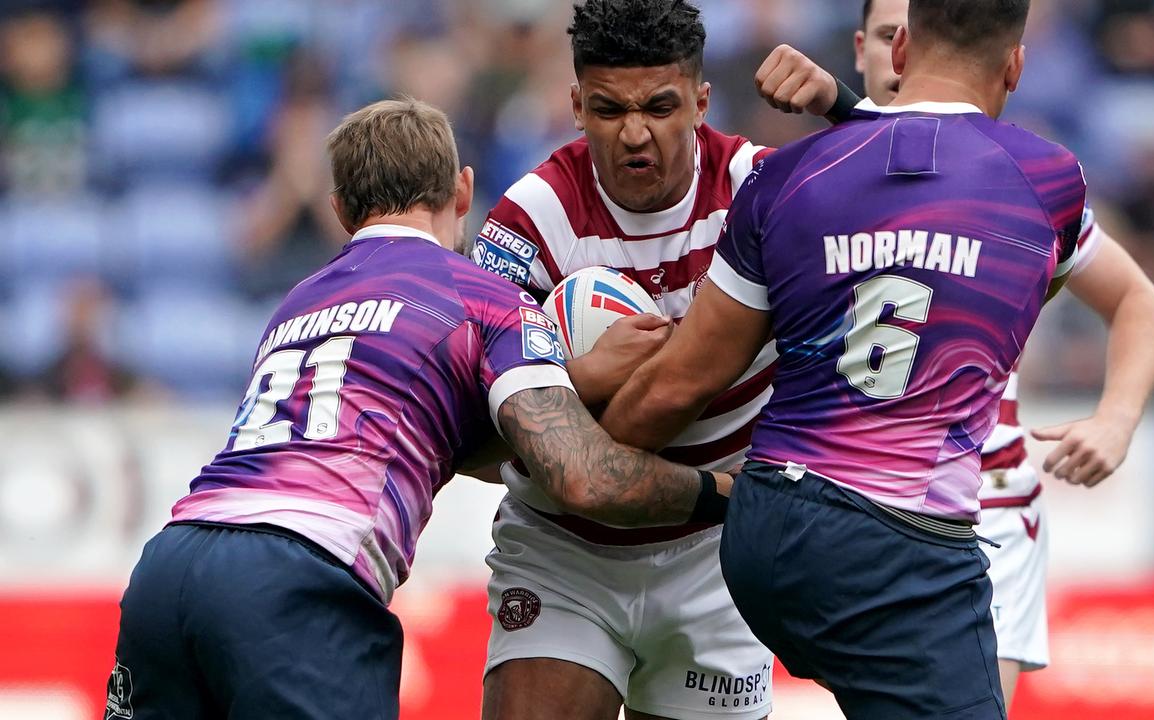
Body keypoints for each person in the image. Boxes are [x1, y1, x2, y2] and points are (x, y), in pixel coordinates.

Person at [105, 98, 730, 720]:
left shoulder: (295, 302)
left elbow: (418, 422)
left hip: (170, 566)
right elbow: (582, 475)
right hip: (299, 578)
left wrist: (579, 378)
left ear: (341, 210)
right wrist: (726, 493)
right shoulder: (486, 298)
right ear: (463, 190)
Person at [601, 0, 1094, 716]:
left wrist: (572, 452)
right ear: (1015, 67)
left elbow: (680, 384)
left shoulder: (784, 178)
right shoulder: (1052, 182)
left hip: (766, 528)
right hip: (902, 544)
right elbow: (1015, 302)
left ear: (899, 54)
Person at [470, 2, 852, 718]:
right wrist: (578, 381)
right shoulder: (528, 223)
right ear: (577, 103)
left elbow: (919, 207)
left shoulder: (764, 192)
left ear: (701, 100)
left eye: (660, 107)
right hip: (565, 551)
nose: (636, 133)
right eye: (610, 109)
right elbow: (465, 440)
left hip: (718, 557)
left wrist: (844, 108)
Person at [848, 0, 1154, 708]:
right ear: (868, 49)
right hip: (832, 506)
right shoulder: (805, 176)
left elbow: (1140, 303)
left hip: (983, 512)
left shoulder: (1021, 180)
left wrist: (1116, 418)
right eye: (887, 35)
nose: (906, 52)